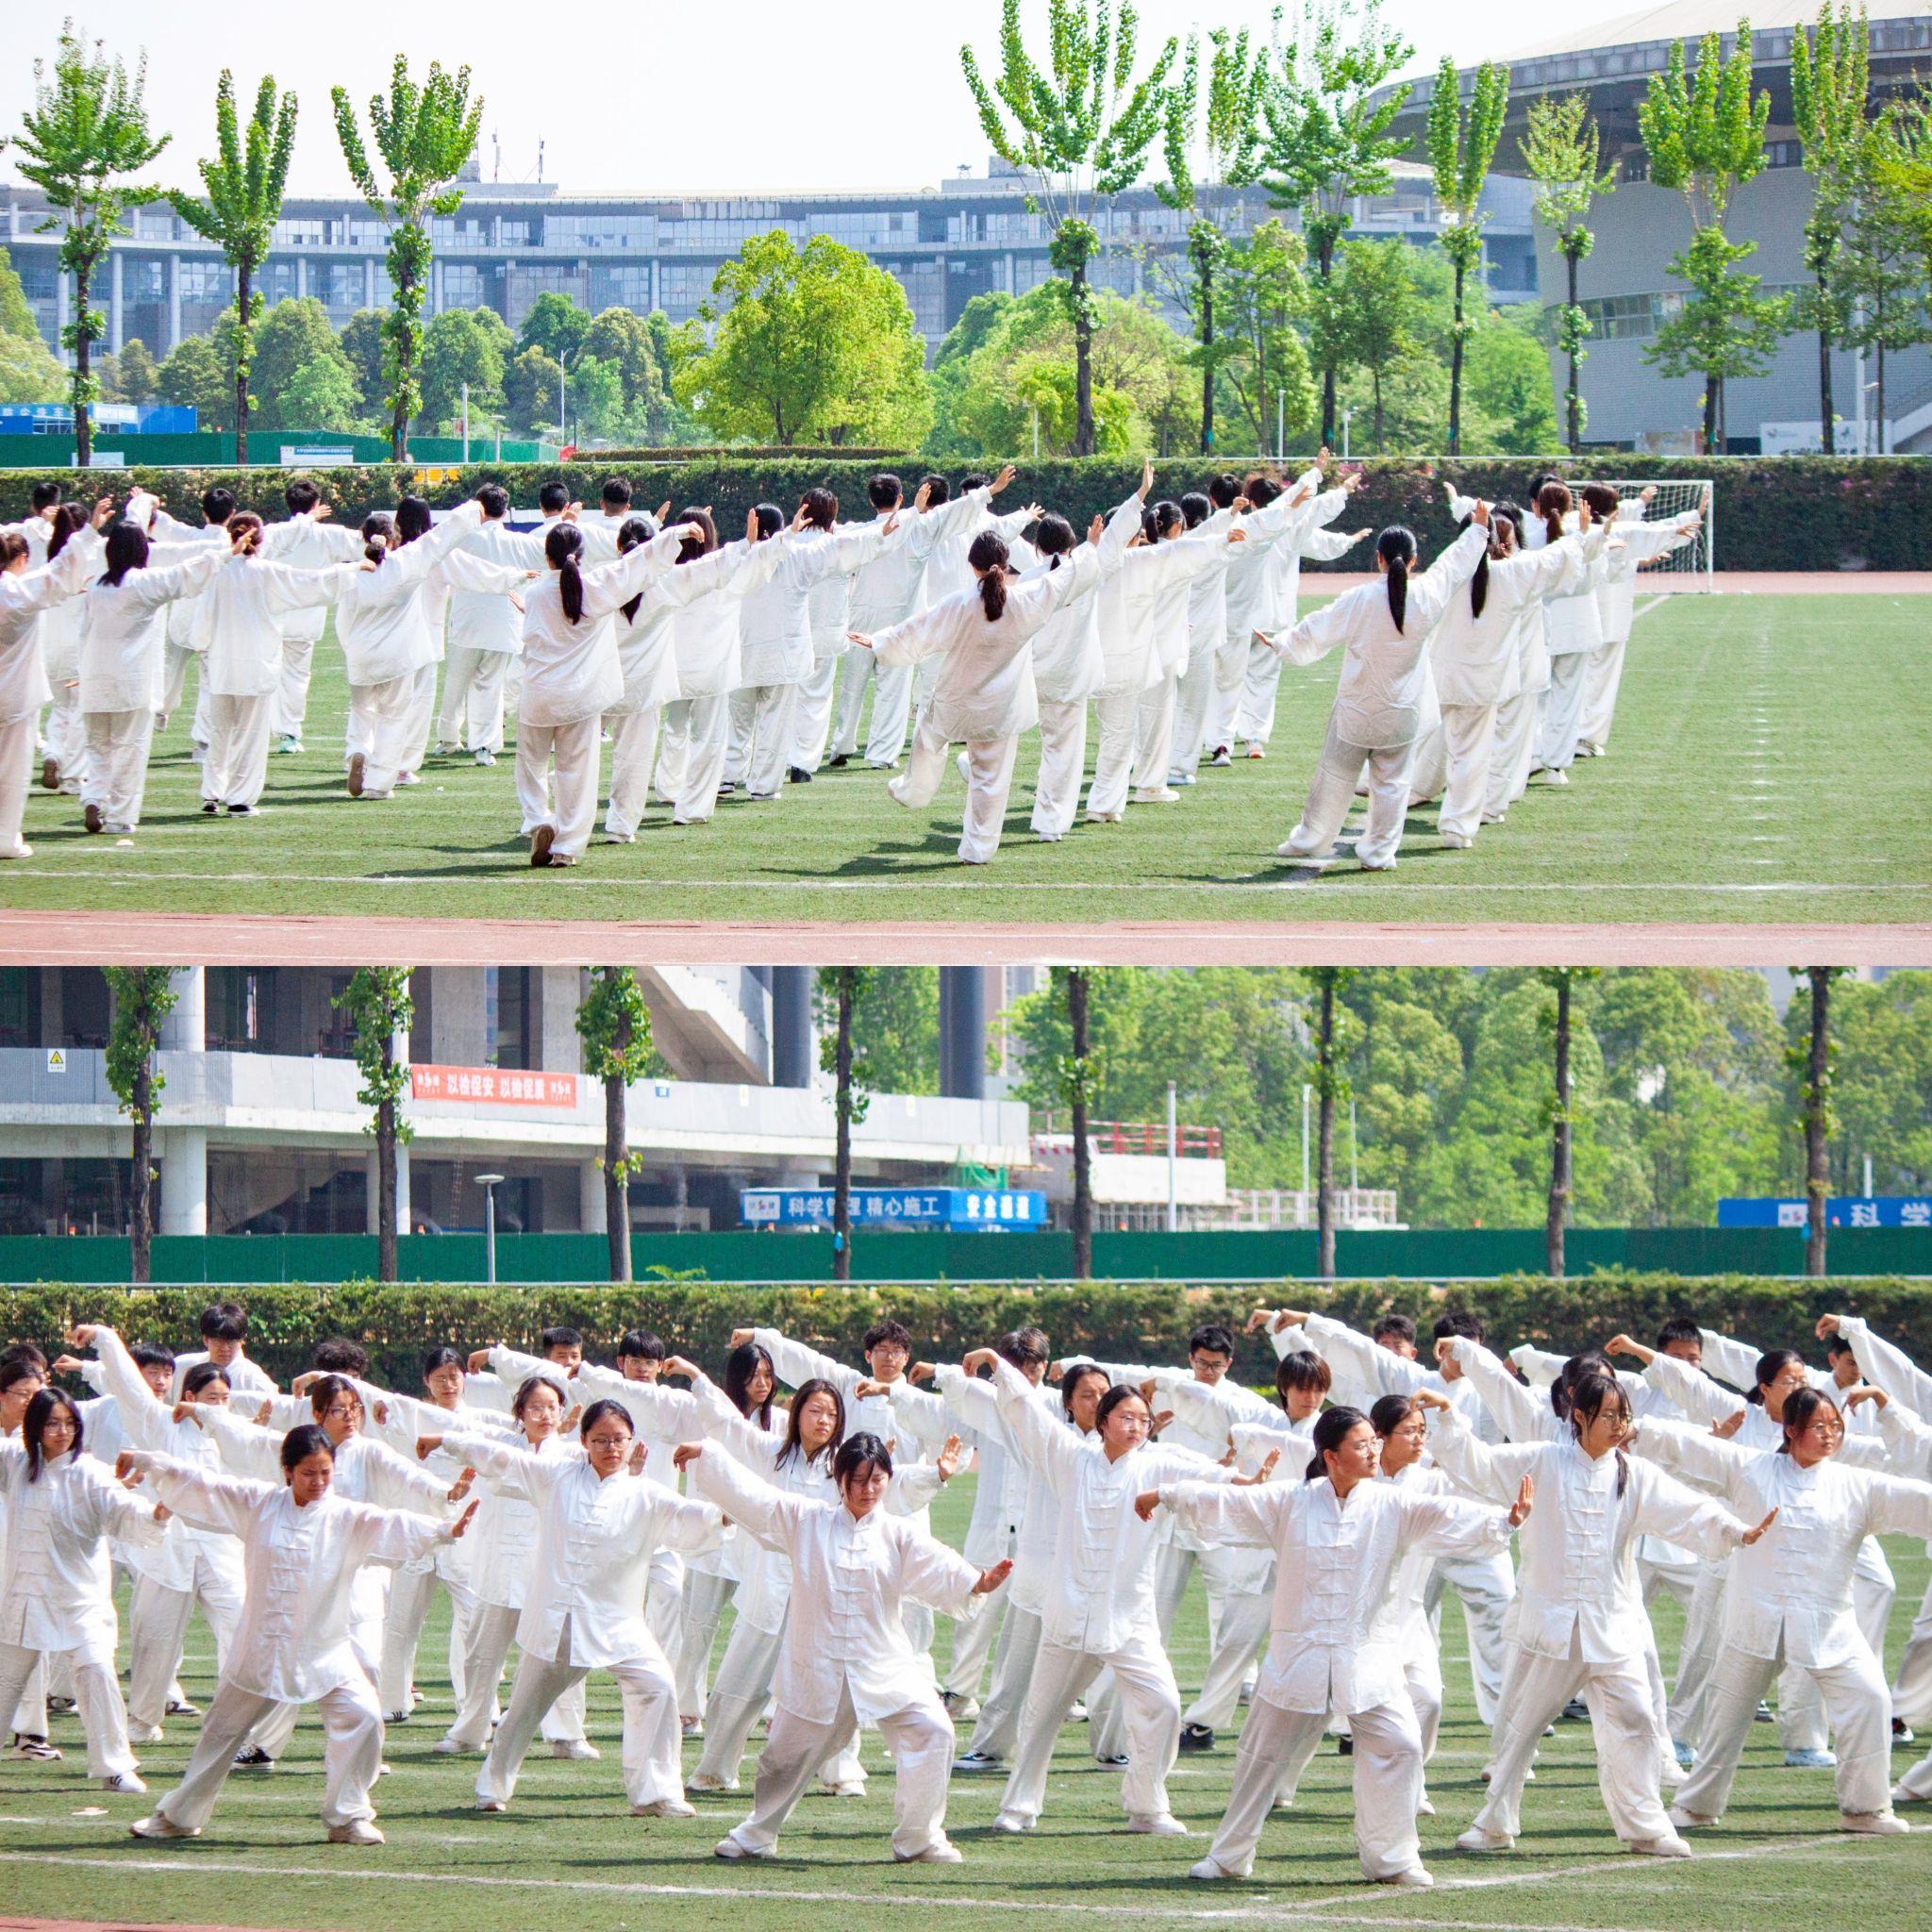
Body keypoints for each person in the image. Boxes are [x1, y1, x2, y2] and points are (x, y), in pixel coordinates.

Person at [1143, 1404, 1528, 1888]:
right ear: (1331, 1456)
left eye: (1374, 1442)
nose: (1373, 1451)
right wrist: (1167, 1494)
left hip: (1368, 1660)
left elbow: (1445, 1514)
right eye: (1361, 1444)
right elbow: (1230, 1504)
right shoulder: (1290, 1500)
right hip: (1296, 1659)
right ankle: (1227, 1858)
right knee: (1259, 1759)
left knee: (1402, 1746)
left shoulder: (1392, 1504)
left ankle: (1392, 1860)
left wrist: (1502, 1521)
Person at [1416, 1373, 1770, 1858]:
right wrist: (1447, 1416)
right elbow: (1479, 1465)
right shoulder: (1541, 1461)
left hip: (1612, 1628)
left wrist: (1735, 1531)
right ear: (1579, 1417)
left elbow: (1687, 1510)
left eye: (1624, 1416)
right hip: (1551, 1626)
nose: (1619, 1424)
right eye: (1608, 1416)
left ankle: (1647, 1827)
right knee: (1521, 1729)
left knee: (1638, 1722)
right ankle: (1493, 1825)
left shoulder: (1635, 1474)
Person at [120, 1424, 475, 1843]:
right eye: (309, 1473)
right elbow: (207, 1486)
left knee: (363, 1716)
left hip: (324, 1651)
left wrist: (443, 1530)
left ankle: (348, 1817)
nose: (319, 1482)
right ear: (287, 1471)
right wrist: (149, 1461)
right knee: (219, 1736)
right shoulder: (259, 1504)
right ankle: (176, 1818)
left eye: (326, 1472)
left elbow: (391, 1524)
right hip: (258, 1650)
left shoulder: (345, 1517)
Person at [679, 1430, 1012, 1864]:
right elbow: (756, 1499)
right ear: (839, 1480)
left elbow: (939, 1563)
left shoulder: (898, 1534)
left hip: (883, 1667)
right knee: (783, 1759)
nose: (867, 1489)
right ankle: (757, 1834)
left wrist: (976, 1582)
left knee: (934, 1731)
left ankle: (919, 1839)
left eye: (877, 1480)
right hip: (816, 1667)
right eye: (857, 1480)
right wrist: (709, 1455)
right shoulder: (806, 1520)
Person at [1630, 1386, 1932, 1837]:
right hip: (1754, 1621)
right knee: (1725, 1719)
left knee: (1870, 1699)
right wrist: (1638, 1431)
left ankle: (1866, 1810)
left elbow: (1918, 1501)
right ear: (1790, 1430)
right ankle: (1695, 1807)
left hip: (1830, 1626)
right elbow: (1694, 1448)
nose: (1829, 1435)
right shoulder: (1751, 1470)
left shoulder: (1856, 1486)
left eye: (1835, 1426)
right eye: (1818, 1426)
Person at [415, 1399, 723, 1819]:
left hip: (618, 1623)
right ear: (583, 1441)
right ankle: (492, 1787)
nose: (611, 1448)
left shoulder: (645, 1493)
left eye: (619, 1440)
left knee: (657, 1687)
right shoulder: (556, 1476)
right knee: (523, 1710)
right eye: (601, 1440)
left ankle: (655, 1793)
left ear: (633, 1442)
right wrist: (445, 1441)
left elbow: (689, 1516)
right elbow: (501, 1458)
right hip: (557, 1620)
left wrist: (722, 1518)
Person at [973, 1347, 1235, 1837]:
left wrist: (1243, 1477)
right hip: (1068, 1614)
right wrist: (995, 1362)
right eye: (1126, 1418)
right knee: (1042, 1715)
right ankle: (1019, 1806)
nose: (1136, 1427)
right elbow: (1029, 1414)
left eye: (1143, 1420)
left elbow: (1207, 1477)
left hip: (1129, 1619)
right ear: (1103, 1422)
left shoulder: (1157, 1464)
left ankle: (1147, 1807)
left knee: (1164, 1706)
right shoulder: (1071, 1458)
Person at [848, 523, 1111, 864]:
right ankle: (977, 848)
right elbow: (1063, 580)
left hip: (957, 703)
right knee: (990, 780)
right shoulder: (1026, 601)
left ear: (972, 565)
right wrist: (1089, 548)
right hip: (1000, 710)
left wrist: (880, 641)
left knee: (927, 739)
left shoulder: (959, 604)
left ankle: (913, 789)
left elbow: (918, 632)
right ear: (1005, 565)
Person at [1257, 508, 1491, 872]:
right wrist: (1478, 531)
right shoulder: (1427, 596)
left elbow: (1316, 629)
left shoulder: (1361, 598)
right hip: (1401, 714)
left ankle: (1310, 841)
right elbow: (1453, 566)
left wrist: (1280, 642)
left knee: (1333, 779)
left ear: (1378, 557)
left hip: (1355, 710)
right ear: (1414, 560)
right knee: (1393, 787)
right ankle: (1379, 853)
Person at [69, 1325, 244, 1743]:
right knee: (155, 1638)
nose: (219, 1406)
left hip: (221, 1550)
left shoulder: (235, 1434)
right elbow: (130, 1389)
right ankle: (143, 1718)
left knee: (242, 1628)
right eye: (211, 1399)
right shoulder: (162, 1424)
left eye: (225, 1399)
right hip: (167, 1548)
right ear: (189, 1398)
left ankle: (238, 1722)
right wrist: (105, 1339)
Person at [0, 1389, 168, 1795]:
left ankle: (115, 1767)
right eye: (52, 1423)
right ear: (34, 1428)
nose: (63, 1432)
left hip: (78, 1600)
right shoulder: (16, 1462)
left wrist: (155, 1514)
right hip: (24, 1595)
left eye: (69, 1424)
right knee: (5, 1682)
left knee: (96, 1674)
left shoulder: (89, 1473)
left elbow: (123, 1510)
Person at [427, 1372, 596, 1761]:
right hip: (499, 1565)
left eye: (552, 1407)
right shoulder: (499, 1447)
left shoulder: (573, 1457)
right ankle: (470, 1730)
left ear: (562, 1412)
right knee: (482, 1655)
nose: (544, 1415)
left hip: (549, 1570)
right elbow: (470, 1447)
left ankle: (567, 1734)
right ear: (520, 1411)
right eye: (535, 1407)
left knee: (559, 1654)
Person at [515, 516, 693, 866]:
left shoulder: (534, 594)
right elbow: (632, 568)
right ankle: (567, 847)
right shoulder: (594, 588)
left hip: (538, 694)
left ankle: (538, 818)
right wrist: (675, 534)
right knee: (576, 773)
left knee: (531, 766)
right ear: (580, 557)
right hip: (578, 698)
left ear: (548, 558)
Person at [1431, 505, 1603, 848]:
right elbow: (1552, 560)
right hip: (1487, 682)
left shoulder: (1446, 571)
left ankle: (1444, 814)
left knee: (1451, 752)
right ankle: (1459, 825)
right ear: (1499, 543)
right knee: (1474, 755)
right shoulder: (1510, 575)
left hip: (1445, 678)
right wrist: (1582, 535)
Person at [828, 472, 1012, 772]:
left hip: (862, 612)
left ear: (871, 501)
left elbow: (831, 533)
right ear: (900, 497)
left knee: (852, 683)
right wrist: (989, 490)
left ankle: (841, 745)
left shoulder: (862, 531)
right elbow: (952, 510)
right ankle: (881, 753)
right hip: (901, 619)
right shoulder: (918, 528)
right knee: (893, 688)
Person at [726, 491, 905, 802]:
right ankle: (791, 768)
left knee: (739, 716)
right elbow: (847, 547)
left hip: (749, 647)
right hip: (801, 643)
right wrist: (880, 533)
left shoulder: (744, 555)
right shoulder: (806, 551)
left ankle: (728, 775)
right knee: (796, 709)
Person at [76, 496, 234, 836]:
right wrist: (226, 553)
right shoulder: (143, 583)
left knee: (98, 747)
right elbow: (185, 574)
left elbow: (83, 632)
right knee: (130, 749)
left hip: (94, 677)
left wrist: (80, 670)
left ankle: (93, 797)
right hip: (131, 681)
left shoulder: (97, 588)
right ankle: (119, 817)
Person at [1012, 486, 1146, 840]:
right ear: (1071, 543)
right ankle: (1050, 823)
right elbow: (1115, 543)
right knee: (1062, 753)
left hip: (1036, 675)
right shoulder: (1085, 570)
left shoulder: (1030, 578)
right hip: (1070, 677)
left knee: (1022, 737)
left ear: (1038, 546)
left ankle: (975, 764)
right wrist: (1137, 498)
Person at [189, 514, 346, 816]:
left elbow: (202, 618)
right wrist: (352, 570)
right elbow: (311, 583)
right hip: (257, 665)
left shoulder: (219, 573)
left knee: (220, 732)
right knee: (250, 735)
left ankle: (212, 792)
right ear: (260, 541)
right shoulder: (268, 572)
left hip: (223, 664)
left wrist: (201, 642)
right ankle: (239, 798)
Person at [332, 499, 489, 801]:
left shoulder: (353, 573)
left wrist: (351, 649)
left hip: (361, 654)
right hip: (396, 657)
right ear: (394, 538)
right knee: (392, 718)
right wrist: (471, 510)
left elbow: (343, 621)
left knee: (362, 710)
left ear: (363, 538)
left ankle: (358, 751)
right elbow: (439, 539)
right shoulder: (405, 563)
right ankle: (379, 783)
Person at [0, 506, 106, 858]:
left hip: (15, 692)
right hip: (15, 695)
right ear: (20, 560)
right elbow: (57, 574)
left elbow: (53, 581)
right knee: (12, 772)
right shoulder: (17, 593)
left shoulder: (19, 591)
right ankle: (5, 838)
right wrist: (89, 532)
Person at [1577, 484, 1706, 756]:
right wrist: (1687, 520)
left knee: (1575, 677)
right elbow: (1645, 532)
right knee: (1599, 676)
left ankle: (1571, 736)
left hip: (1579, 618)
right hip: (1606, 614)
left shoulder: (1573, 530)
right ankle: (1584, 736)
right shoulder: (1611, 532)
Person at [434, 483, 548, 764]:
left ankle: (448, 738)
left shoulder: (463, 539)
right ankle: (483, 745)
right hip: (504, 625)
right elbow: (555, 552)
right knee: (490, 687)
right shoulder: (520, 542)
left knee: (456, 682)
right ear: (505, 512)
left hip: (467, 622)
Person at [261, 480, 369, 754]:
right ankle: (289, 733)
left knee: (268, 673)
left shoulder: (274, 533)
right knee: (295, 678)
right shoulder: (327, 535)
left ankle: (268, 731)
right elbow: (365, 543)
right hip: (303, 619)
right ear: (316, 505)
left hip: (272, 615)